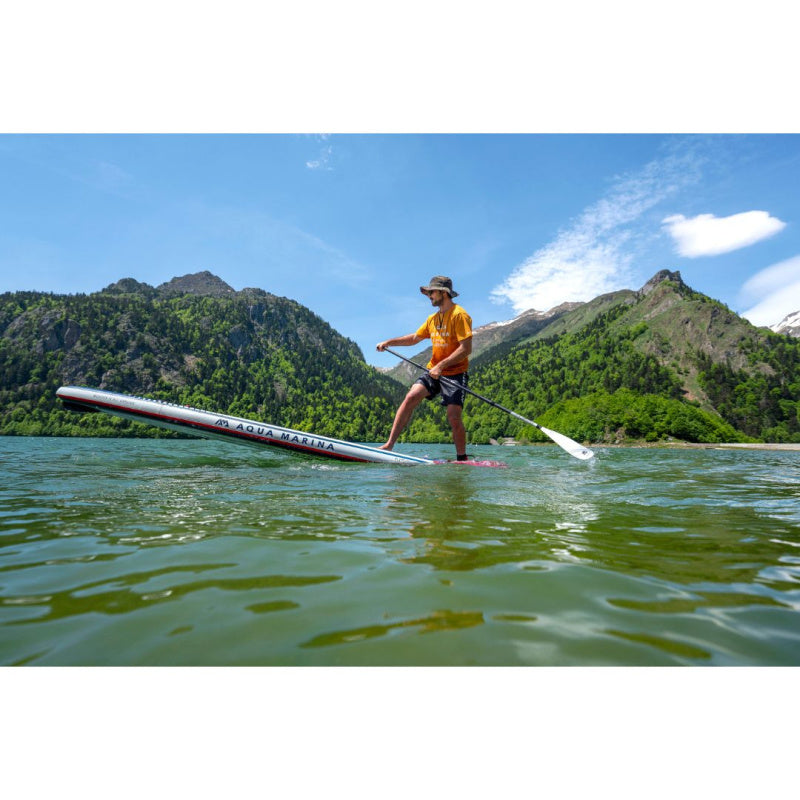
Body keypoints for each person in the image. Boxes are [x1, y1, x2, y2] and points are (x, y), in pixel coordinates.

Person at [376, 276, 473, 460]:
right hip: (433, 370)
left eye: (431, 292)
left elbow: (466, 349)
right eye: (428, 292)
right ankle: (389, 446)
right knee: (411, 396)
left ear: (443, 293)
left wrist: (442, 366)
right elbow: (414, 338)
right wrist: (389, 342)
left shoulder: (459, 315)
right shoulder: (432, 319)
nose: (428, 295)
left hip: (455, 373)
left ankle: (462, 458)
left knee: (453, 417)